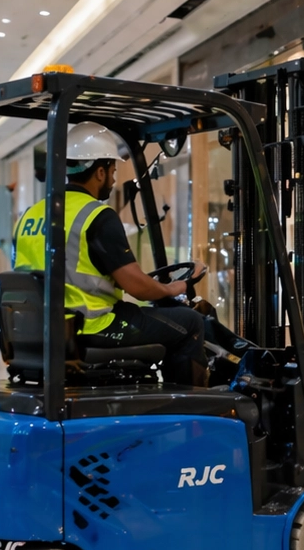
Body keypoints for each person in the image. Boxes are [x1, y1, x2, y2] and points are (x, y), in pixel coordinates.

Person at [13, 123, 209, 387]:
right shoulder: (96, 215)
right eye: (113, 171)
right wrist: (174, 288)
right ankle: (191, 412)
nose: (115, 179)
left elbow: (66, 268)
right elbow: (137, 287)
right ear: (100, 171)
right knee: (191, 323)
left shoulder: (30, 214)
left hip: (44, 328)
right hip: (93, 326)